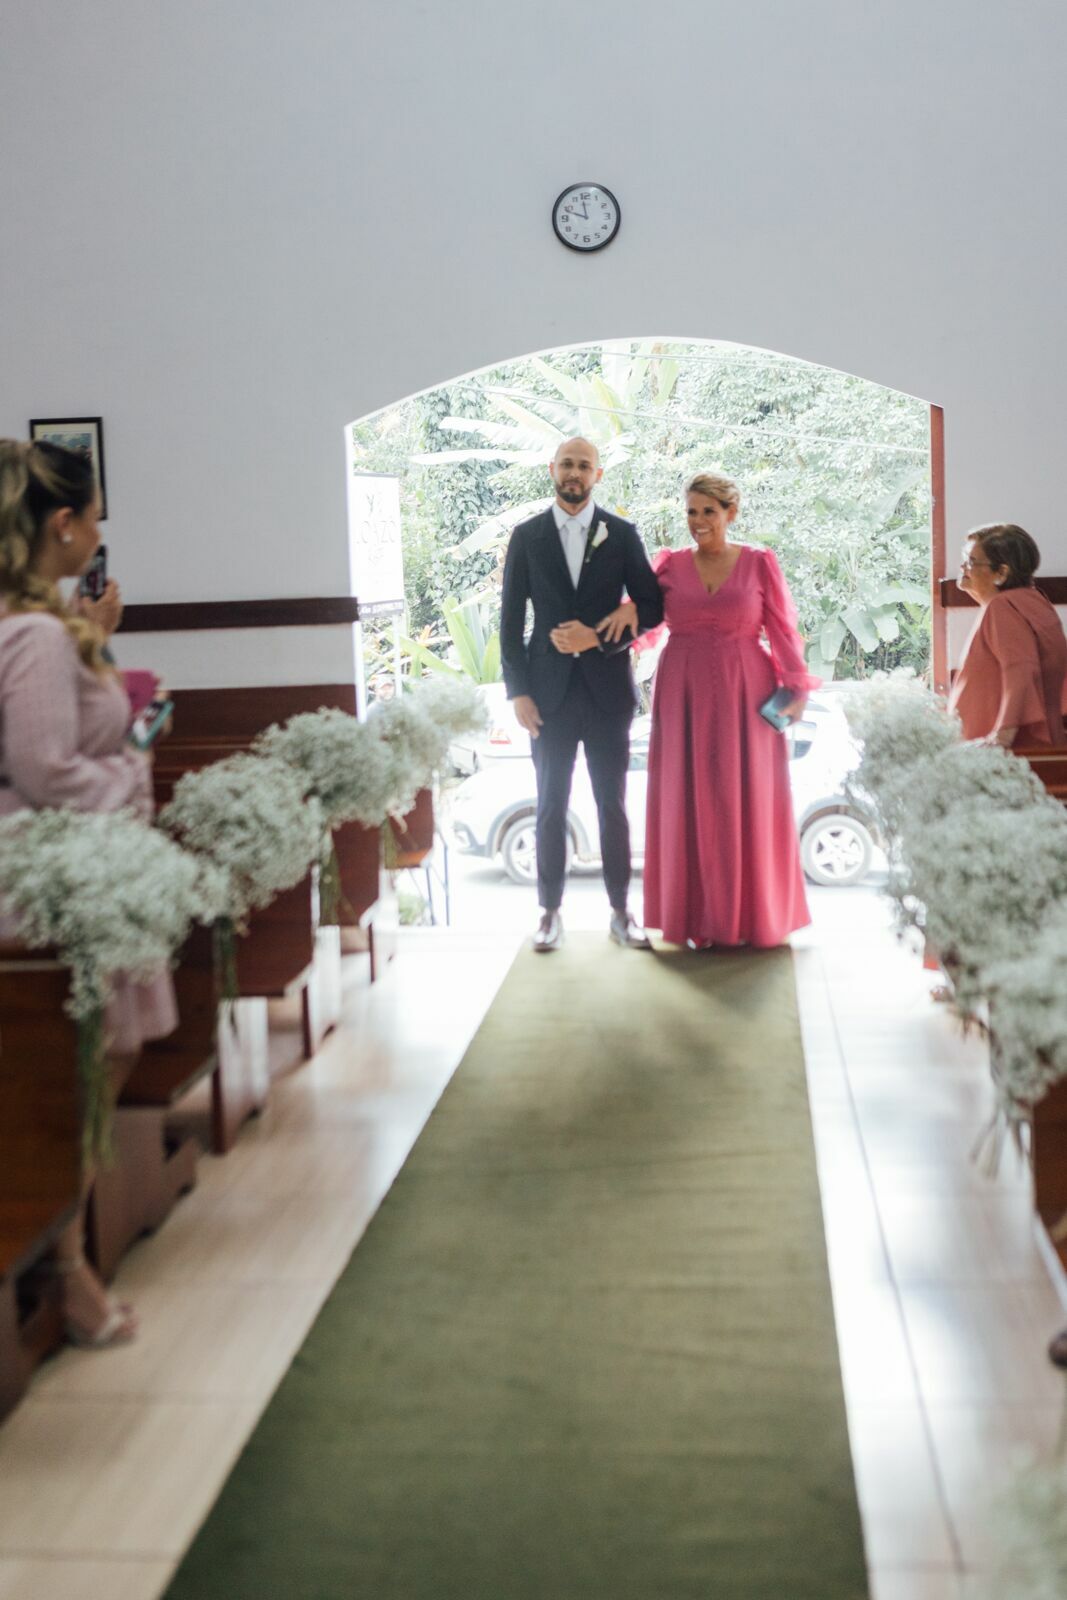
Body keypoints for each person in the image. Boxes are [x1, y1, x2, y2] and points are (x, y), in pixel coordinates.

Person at [0, 438, 178, 1347]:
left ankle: (60, 1250)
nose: (101, 534)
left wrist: (94, 645)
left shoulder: (41, 625)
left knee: (88, 1067)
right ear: (62, 524)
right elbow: (44, 769)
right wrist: (135, 774)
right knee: (83, 1071)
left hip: (62, 863)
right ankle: (63, 1264)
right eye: (95, 517)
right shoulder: (32, 633)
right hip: (51, 876)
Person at [637, 472, 817, 949]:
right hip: (682, 689)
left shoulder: (758, 562)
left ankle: (752, 918)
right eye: (691, 512)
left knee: (750, 793)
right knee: (685, 792)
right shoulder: (669, 565)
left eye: (709, 512)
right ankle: (694, 916)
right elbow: (641, 623)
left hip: (747, 688)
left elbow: (782, 629)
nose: (698, 521)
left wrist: (797, 686)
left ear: (730, 513)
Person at [499, 437, 664, 952]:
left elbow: (652, 606)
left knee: (612, 805)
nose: (574, 473)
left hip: (607, 695)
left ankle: (621, 912)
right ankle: (549, 914)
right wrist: (518, 693)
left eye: (584, 466)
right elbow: (510, 624)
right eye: (567, 464)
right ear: (552, 469)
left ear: (598, 475)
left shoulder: (622, 534)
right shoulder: (526, 537)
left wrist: (599, 636)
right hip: (546, 699)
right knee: (550, 805)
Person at [949, 523, 1066, 748]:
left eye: (972, 561)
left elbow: (1021, 669)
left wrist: (1002, 737)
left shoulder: (1002, 607)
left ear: (1001, 573)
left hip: (1009, 752)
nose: (963, 566)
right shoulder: (1032, 601)